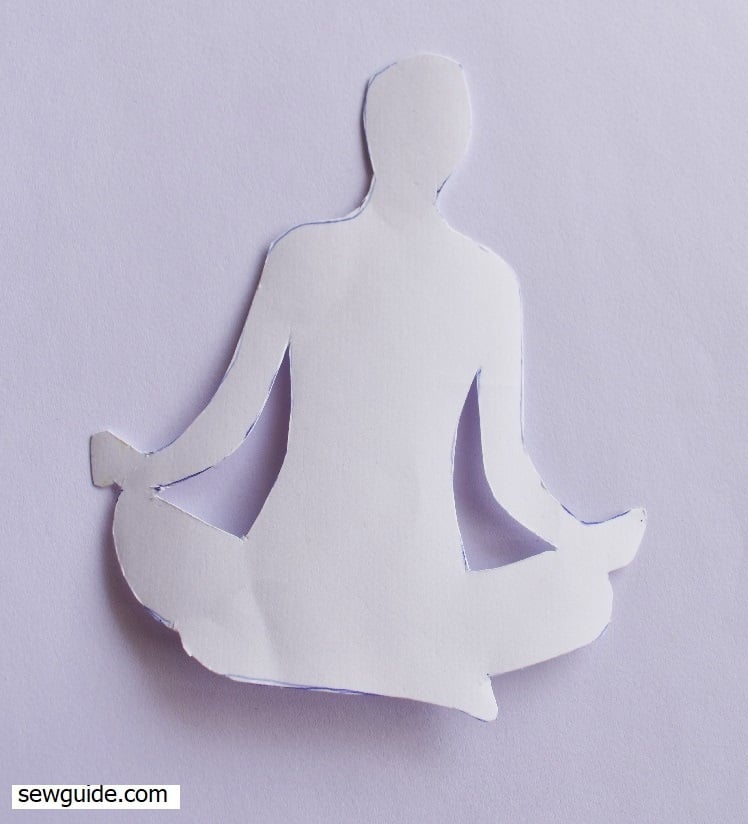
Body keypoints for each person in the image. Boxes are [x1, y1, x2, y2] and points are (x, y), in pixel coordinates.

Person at [91, 55, 645, 720]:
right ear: (459, 145)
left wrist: (142, 472)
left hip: (285, 593)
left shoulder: (303, 256)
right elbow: (506, 475)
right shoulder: (488, 285)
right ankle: (426, 657)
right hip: (416, 604)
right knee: (586, 593)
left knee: (140, 523)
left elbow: (229, 425)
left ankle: (260, 632)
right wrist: (584, 545)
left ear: (373, 133)